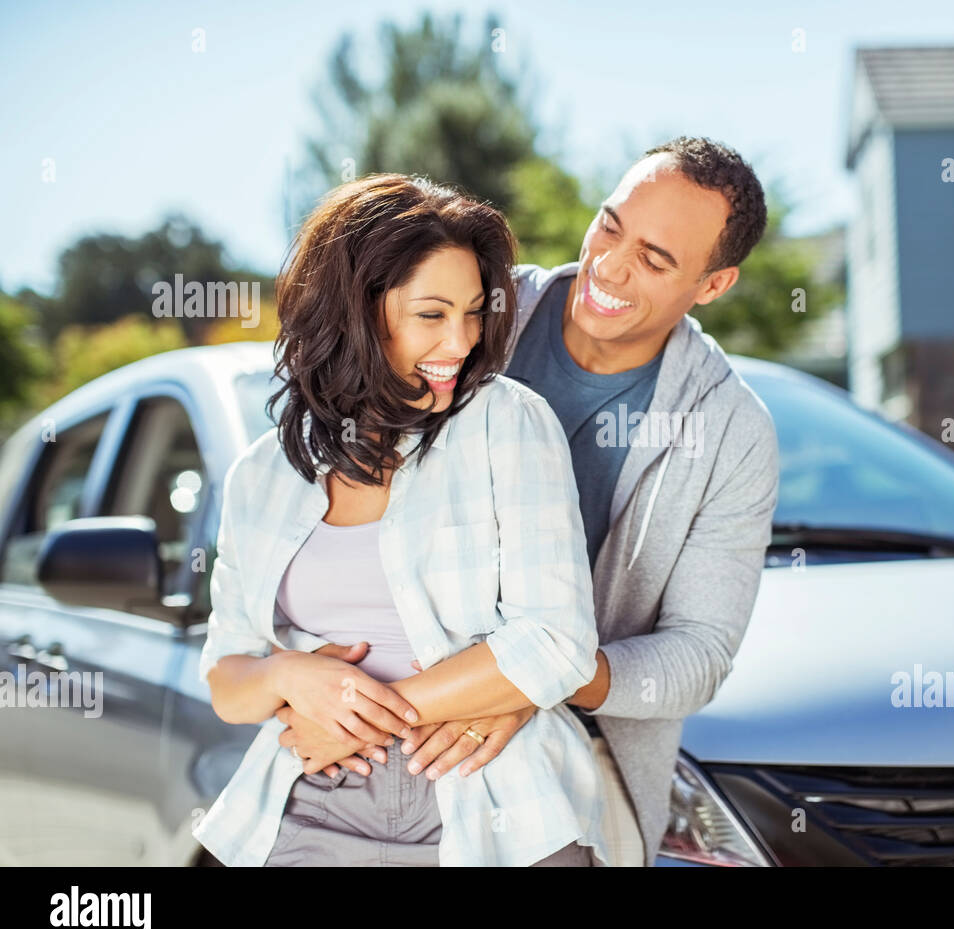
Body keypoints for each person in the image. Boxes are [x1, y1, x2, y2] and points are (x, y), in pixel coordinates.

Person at [277, 136, 781, 866]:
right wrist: (300, 670)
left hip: (567, 758)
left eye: (655, 259)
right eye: (611, 225)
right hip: (366, 732)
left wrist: (534, 679)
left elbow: (698, 653)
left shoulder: (732, 431)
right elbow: (312, 495)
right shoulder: (466, 312)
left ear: (713, 284)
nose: (610, 266)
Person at [193, 173, 608, 867]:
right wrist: (290, 679)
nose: (462, 342)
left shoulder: (506, 423)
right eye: (432, 314)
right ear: (354, 312)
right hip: (315, 800)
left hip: (496, 803)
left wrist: (364, 719)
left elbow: (557, 641)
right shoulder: (261, 476)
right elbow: (227, 678)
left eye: (475, 312)